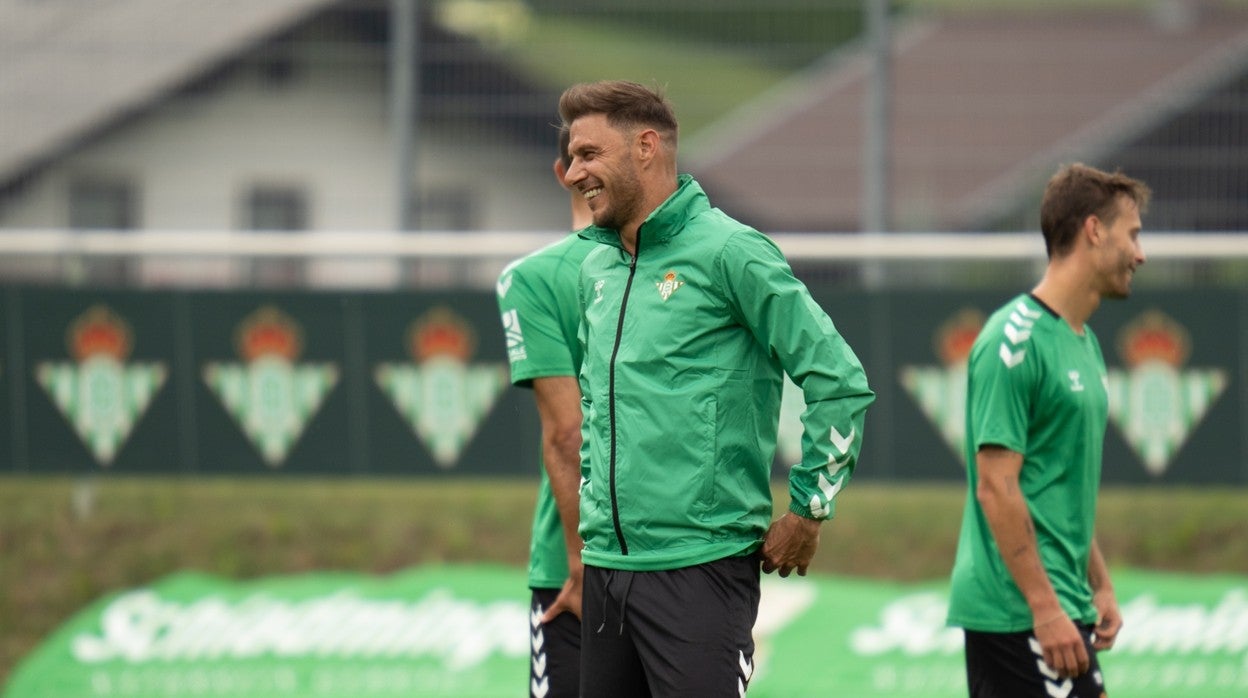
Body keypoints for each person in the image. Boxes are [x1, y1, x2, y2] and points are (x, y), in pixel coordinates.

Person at [560, 79, 875, 697]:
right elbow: (597, 411)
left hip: (701, 576)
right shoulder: (594, 267)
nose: (572, 173)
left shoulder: (734, 252)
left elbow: (839, 381)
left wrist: (809, 509)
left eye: (588, 154)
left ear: (646, 146)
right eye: (572, 158)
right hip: (606, 576)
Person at [946, 163, 1151, 697]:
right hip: (1020, 611)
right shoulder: (1012, 342)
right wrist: (1045, 608)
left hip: (1061, 600)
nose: (1140, 254)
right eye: (1133, 234)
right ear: (1093, 230)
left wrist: (1099, 584)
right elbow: (997, 486)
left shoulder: (1081, 340)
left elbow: (1056, 490)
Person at [496, 126, 595, 698]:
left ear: (562, 175)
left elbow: (565, 433)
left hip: (576, 558)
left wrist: (578, 561)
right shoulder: (681, 273)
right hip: (681, 556)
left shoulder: (532, 278)